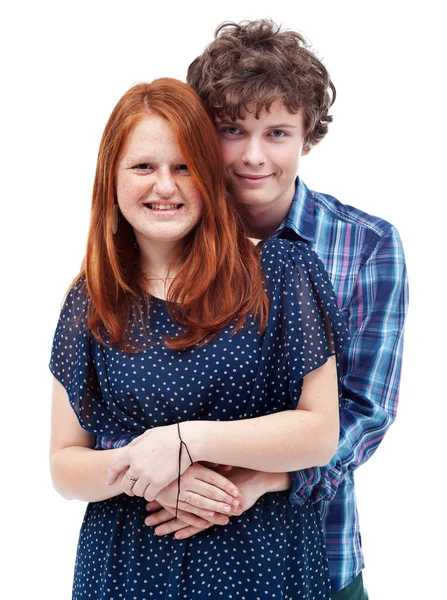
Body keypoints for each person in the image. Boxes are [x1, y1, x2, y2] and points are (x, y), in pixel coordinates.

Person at [49, 77, 350, 599]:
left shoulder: (282, 272)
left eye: (183, 167)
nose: (163, 186)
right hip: (127, 564)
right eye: (143, 167)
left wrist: (185, 442)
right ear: (112, 179)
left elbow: (320, 433)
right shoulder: (91, 299)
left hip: (259, 559)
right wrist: (148, 473)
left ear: (208, 177)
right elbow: (64, 465)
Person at [143, 20, 409, 599]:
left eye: (278, 132)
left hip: (320, 551)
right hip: (175, 552)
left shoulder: (365, 246)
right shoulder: (161, 237)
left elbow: (366, 408)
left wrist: (271, 476)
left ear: (308, 136)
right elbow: (115, 396)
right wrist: (159, 472)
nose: (253, 157)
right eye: (231, 130)